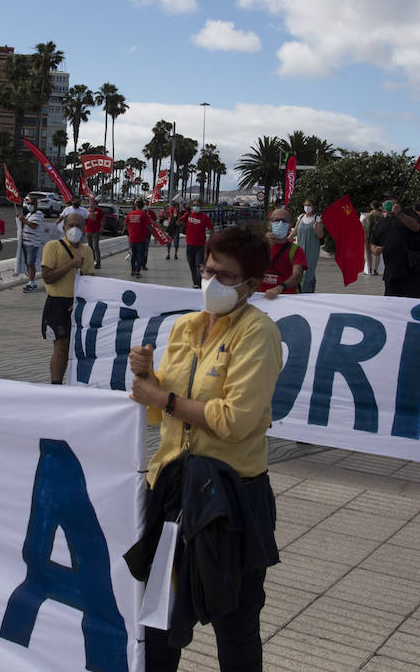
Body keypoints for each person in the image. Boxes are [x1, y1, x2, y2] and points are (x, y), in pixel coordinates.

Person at [126, 225, 282, 671]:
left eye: (226, 276)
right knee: (158, 622)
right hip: (173, 489)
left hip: (231, 499)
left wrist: (165, 398)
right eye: (208, 269)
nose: (211, 280)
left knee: (235, 625)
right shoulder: (184, 327)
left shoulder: (258, 333)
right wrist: (147, 378)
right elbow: (157, 416)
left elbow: (235, 421)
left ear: (251, 286)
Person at [40, 212, 96, 383]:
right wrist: (70, 265)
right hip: (57, 303)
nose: (74, 229)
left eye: (78, 226)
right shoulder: (52, 246)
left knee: (78, 347)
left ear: (84, 229)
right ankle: (55, 384)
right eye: (71, 225)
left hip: (77, 304)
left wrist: (81, 302)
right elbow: (47, 277)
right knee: (61, 347)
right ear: (64, 228)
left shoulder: (87, 250)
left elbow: (90, 281)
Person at [369, 198, 420, 298]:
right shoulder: (382, 222)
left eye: (391, 203)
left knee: (413, 303)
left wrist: (399, 214)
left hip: (411, 270)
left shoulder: (408, 212)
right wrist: (374, 249)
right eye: (385, 203)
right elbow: (374, 243)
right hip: (391, 273)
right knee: (392, 305)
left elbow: (416, 227)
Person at [260, 207, 306, 299]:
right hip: (260, 298)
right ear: (269, 225)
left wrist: (280, 288)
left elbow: (297, 276)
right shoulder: (259, 246)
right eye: (277, 220)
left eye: (284, 221)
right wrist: (261, 244)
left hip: (286, 299)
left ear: (289, 226)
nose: (280, 224)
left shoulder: (296, 250)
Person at [294, 199, 326, 293]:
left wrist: (316, 227)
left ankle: (305, 292)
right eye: (305, 205)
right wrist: (287, 238)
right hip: (300, 248)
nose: (307, 207)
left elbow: (321, 235)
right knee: (300, 270)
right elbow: (295, 231)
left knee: (309, 271)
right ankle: (306, 289)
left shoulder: (317, 219)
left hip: (312, 249)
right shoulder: (300, 217)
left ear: (313, 207)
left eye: (309, 205)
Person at [182, 200, 213, 288]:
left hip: (200, 245)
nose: (196, 207)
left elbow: (211, 228)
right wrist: (181, 213)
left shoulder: (205, 218)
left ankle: (198, 283)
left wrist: (210, 240)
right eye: (195, 205)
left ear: (201, 207)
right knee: (191, 263)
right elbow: (179, 222)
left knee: (198, 264)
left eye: (198, 205)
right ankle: (195, 282)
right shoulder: (188, 215)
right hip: (190, 244)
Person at [18, 199, 45, 292]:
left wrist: (24, 220)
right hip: (26, 243)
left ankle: (31, 283)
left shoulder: (38, 215)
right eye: (28, 203)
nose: (30, 205)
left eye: (32, 204)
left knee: (30, 263)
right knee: (28, 263)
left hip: (32, 243)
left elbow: (33, 226)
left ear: (36, 205)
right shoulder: (29, 214)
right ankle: (31, 281)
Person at [125, 197, 152, 277]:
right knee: (140, 255)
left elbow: (126, 224)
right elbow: (149, 226)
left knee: (133, 255)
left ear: (135, 205)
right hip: (141, 238)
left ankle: (133, 270)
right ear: (143, 206)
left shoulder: (130, 214)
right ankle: (137, 271)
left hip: (132, 238)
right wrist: (154, 235)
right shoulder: (144, 214)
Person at [364, 200, 385, 276]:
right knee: (378, 253)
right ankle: (375, 269)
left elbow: (368, 224)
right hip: (380, 234)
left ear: (373, 206)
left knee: (369, 252)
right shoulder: (381, 214)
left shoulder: (371, 213)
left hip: (372, 234)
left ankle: (369, 268)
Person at [84, 200, 105, 268]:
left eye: (93, 204)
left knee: (95, 246)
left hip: (96, 231)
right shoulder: (87, 211)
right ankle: (91, 261)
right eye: (90, 203)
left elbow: (103, 219)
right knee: (90, 247)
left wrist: (102, 227)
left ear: (96, 204)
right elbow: (85, 220)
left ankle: (98, 262)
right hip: (88, 231)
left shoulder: (99, 210)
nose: (91, 205)